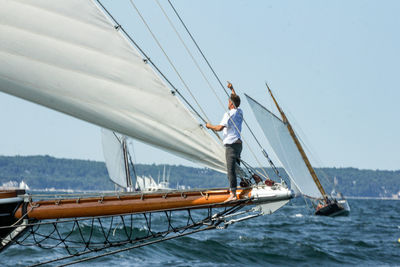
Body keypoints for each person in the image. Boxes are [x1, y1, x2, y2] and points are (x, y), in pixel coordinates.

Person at [206, 82, 243, 202]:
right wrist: (232, 89)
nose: (227, 103)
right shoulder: (239, 111)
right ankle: (245, 183)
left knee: (231, 170)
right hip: (239, 145)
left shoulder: (228, 114)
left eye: (228, 102)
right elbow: (235, 99)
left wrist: (209, 126)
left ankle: (233, 193)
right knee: (237, 168)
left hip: (231, 146)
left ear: (231, 104)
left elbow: (219, 128)